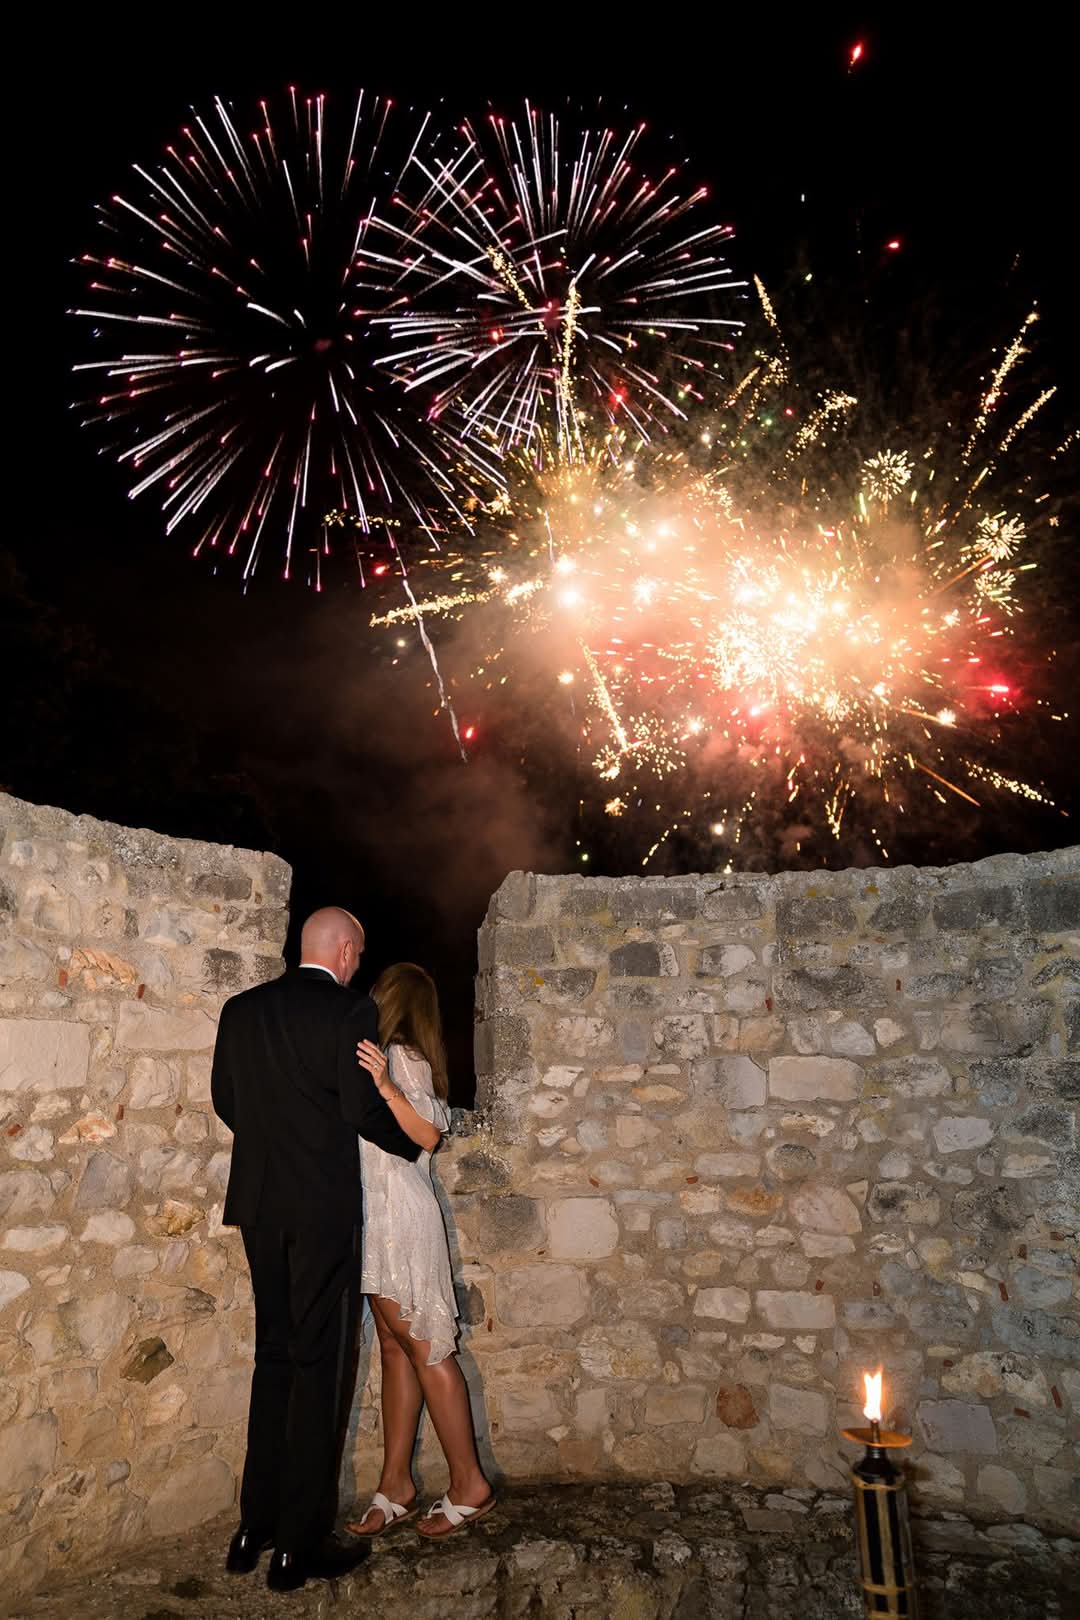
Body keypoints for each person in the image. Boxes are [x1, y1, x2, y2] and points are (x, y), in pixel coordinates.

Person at [210, 907, 422, 1592]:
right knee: (317, 1365)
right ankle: (298, 1547)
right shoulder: (349, 1010)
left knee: (272, 1357)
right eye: (357, 955)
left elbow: (226, 1099)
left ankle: (253, 1528)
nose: (357, 966)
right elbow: (360, 1109)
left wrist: (277, 1137)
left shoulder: (241, 1009)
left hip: (259, 1204)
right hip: (321, 1210)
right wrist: (416, 1144)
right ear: (346, 949)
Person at [345, 962, 494, 1541]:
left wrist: (385, 1088)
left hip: (401, 1219)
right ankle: (397, 1485)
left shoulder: (402, 1057)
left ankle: (470, 1483)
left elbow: (429, 1134)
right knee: (394, 1346)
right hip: (378, 1216)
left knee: (428, 1348)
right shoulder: (386, 1057)